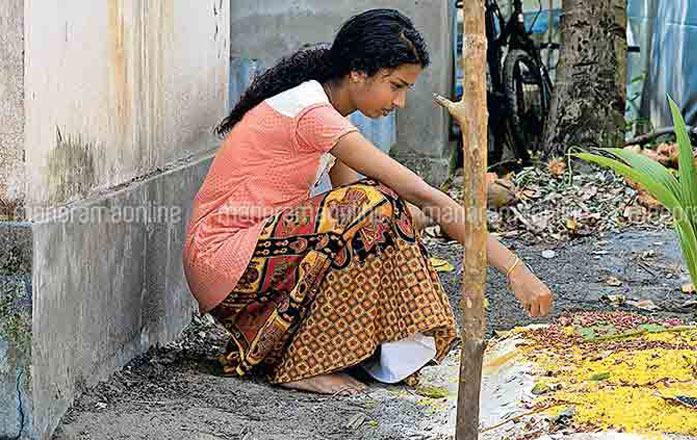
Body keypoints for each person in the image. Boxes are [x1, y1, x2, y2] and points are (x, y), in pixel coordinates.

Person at [182, 8, 553, 395]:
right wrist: (514, 268)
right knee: (376, 203)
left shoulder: (324, 112)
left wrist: (439, 217)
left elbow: (370, 215)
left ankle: (377, 350)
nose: (401, 102)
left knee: (380, 211)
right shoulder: (313, 114)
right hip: (222, 260)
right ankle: (303, 364)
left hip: (245, 261)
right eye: (396, 86)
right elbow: (408, 195)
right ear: (358, 72)